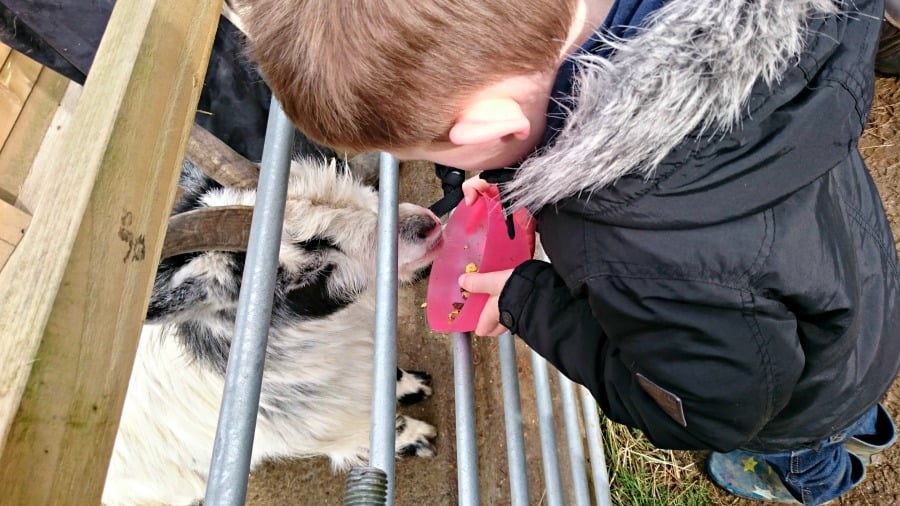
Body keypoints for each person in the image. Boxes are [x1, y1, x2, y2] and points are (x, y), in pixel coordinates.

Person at [237, 0, 900, 503]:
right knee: (840, 376)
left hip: (790, 395)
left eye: (436, 151)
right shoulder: (721, 43)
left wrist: (528, 297)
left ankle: (819, 476)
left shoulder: (647, 255)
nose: (440, 164)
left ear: (495, 126)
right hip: (853, 286)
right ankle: (861, 417)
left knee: (800, 432)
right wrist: (491, 179)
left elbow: (704, 408)